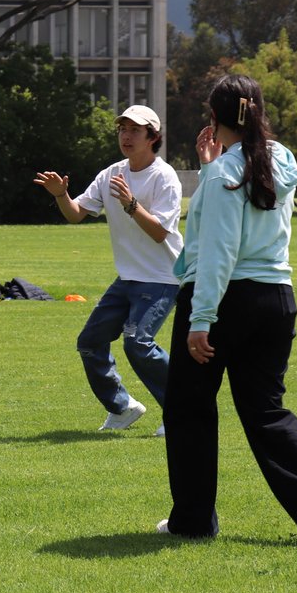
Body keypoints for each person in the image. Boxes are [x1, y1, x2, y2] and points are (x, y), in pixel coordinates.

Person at [159, 75, 297, 550]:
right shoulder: (281, 159)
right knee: (264, 410)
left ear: (214, 119)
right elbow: (249, 192)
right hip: (277, 298)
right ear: (257, 112)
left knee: (188, 408)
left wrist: (200, 318)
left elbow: (219, 251)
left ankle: (192, 520)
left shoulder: (221, 175)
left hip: (225, 300)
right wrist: (214, 168)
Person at [34, 105, 182, 435]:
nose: (126, 136)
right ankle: (122, 407)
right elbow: (75, 214)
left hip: (161, 278)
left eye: (134, 130)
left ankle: (182, 409)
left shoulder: (164, 177)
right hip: (128, 279)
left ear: (153, 137)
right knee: (89, 342)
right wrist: (62, 195)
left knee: (138, 343)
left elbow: (160, 232)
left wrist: (131, 204)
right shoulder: (111, 173)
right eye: (122, 130)